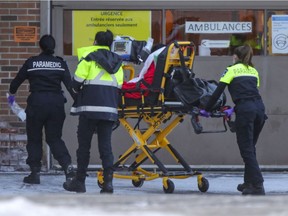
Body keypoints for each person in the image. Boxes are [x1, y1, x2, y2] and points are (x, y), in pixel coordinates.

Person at [200, 44, 267, 195]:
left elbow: (217, 92)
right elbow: (250, 94)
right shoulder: (253, 71)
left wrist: (206, 109)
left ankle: (257, 185)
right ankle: (248, 182)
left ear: (236, 56)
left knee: (246, 150)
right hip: (259, 110)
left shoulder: (230, 70)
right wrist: (235, 109)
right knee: (251, 148)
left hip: (246, 111)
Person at [8, 34, 75, 184]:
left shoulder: (31, 63)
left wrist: (11, 98)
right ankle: (68, 168)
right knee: (55, 138)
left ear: (40, 46)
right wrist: (79, 103)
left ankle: (34, 173)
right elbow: (71, 87)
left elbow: (14, 84)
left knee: (34, 139)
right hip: (56, 104)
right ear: (53, 47)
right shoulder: (60, 63)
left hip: (36, 104)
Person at [63, 29, 124, 194]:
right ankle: (108, 184)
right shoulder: (118, 63)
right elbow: (118, 86)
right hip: (109, 111)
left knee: (84, 146)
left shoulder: (88, 59)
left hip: (89, 111)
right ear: (111, 44)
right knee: (106, 147)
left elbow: (75, 84)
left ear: (95, 42)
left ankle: (80, 182)